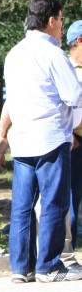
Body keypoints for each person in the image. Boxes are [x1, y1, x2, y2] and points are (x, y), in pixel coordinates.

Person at [0, 0, 82, 283]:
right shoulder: (53, 55)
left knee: (22, 207)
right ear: (51, 20)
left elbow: (11, 99)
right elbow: (74, 96)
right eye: (61, 19)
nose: (62, 27)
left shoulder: (14, 54)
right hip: (51, 138)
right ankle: (49, 266)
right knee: (54, 202)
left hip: (22, 139)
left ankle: (22, 268)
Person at [66, 21, 82, 251]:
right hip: (75, 143)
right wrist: (69, 134)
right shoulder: (65, 68)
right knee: (71, 198)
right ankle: (67, 252)